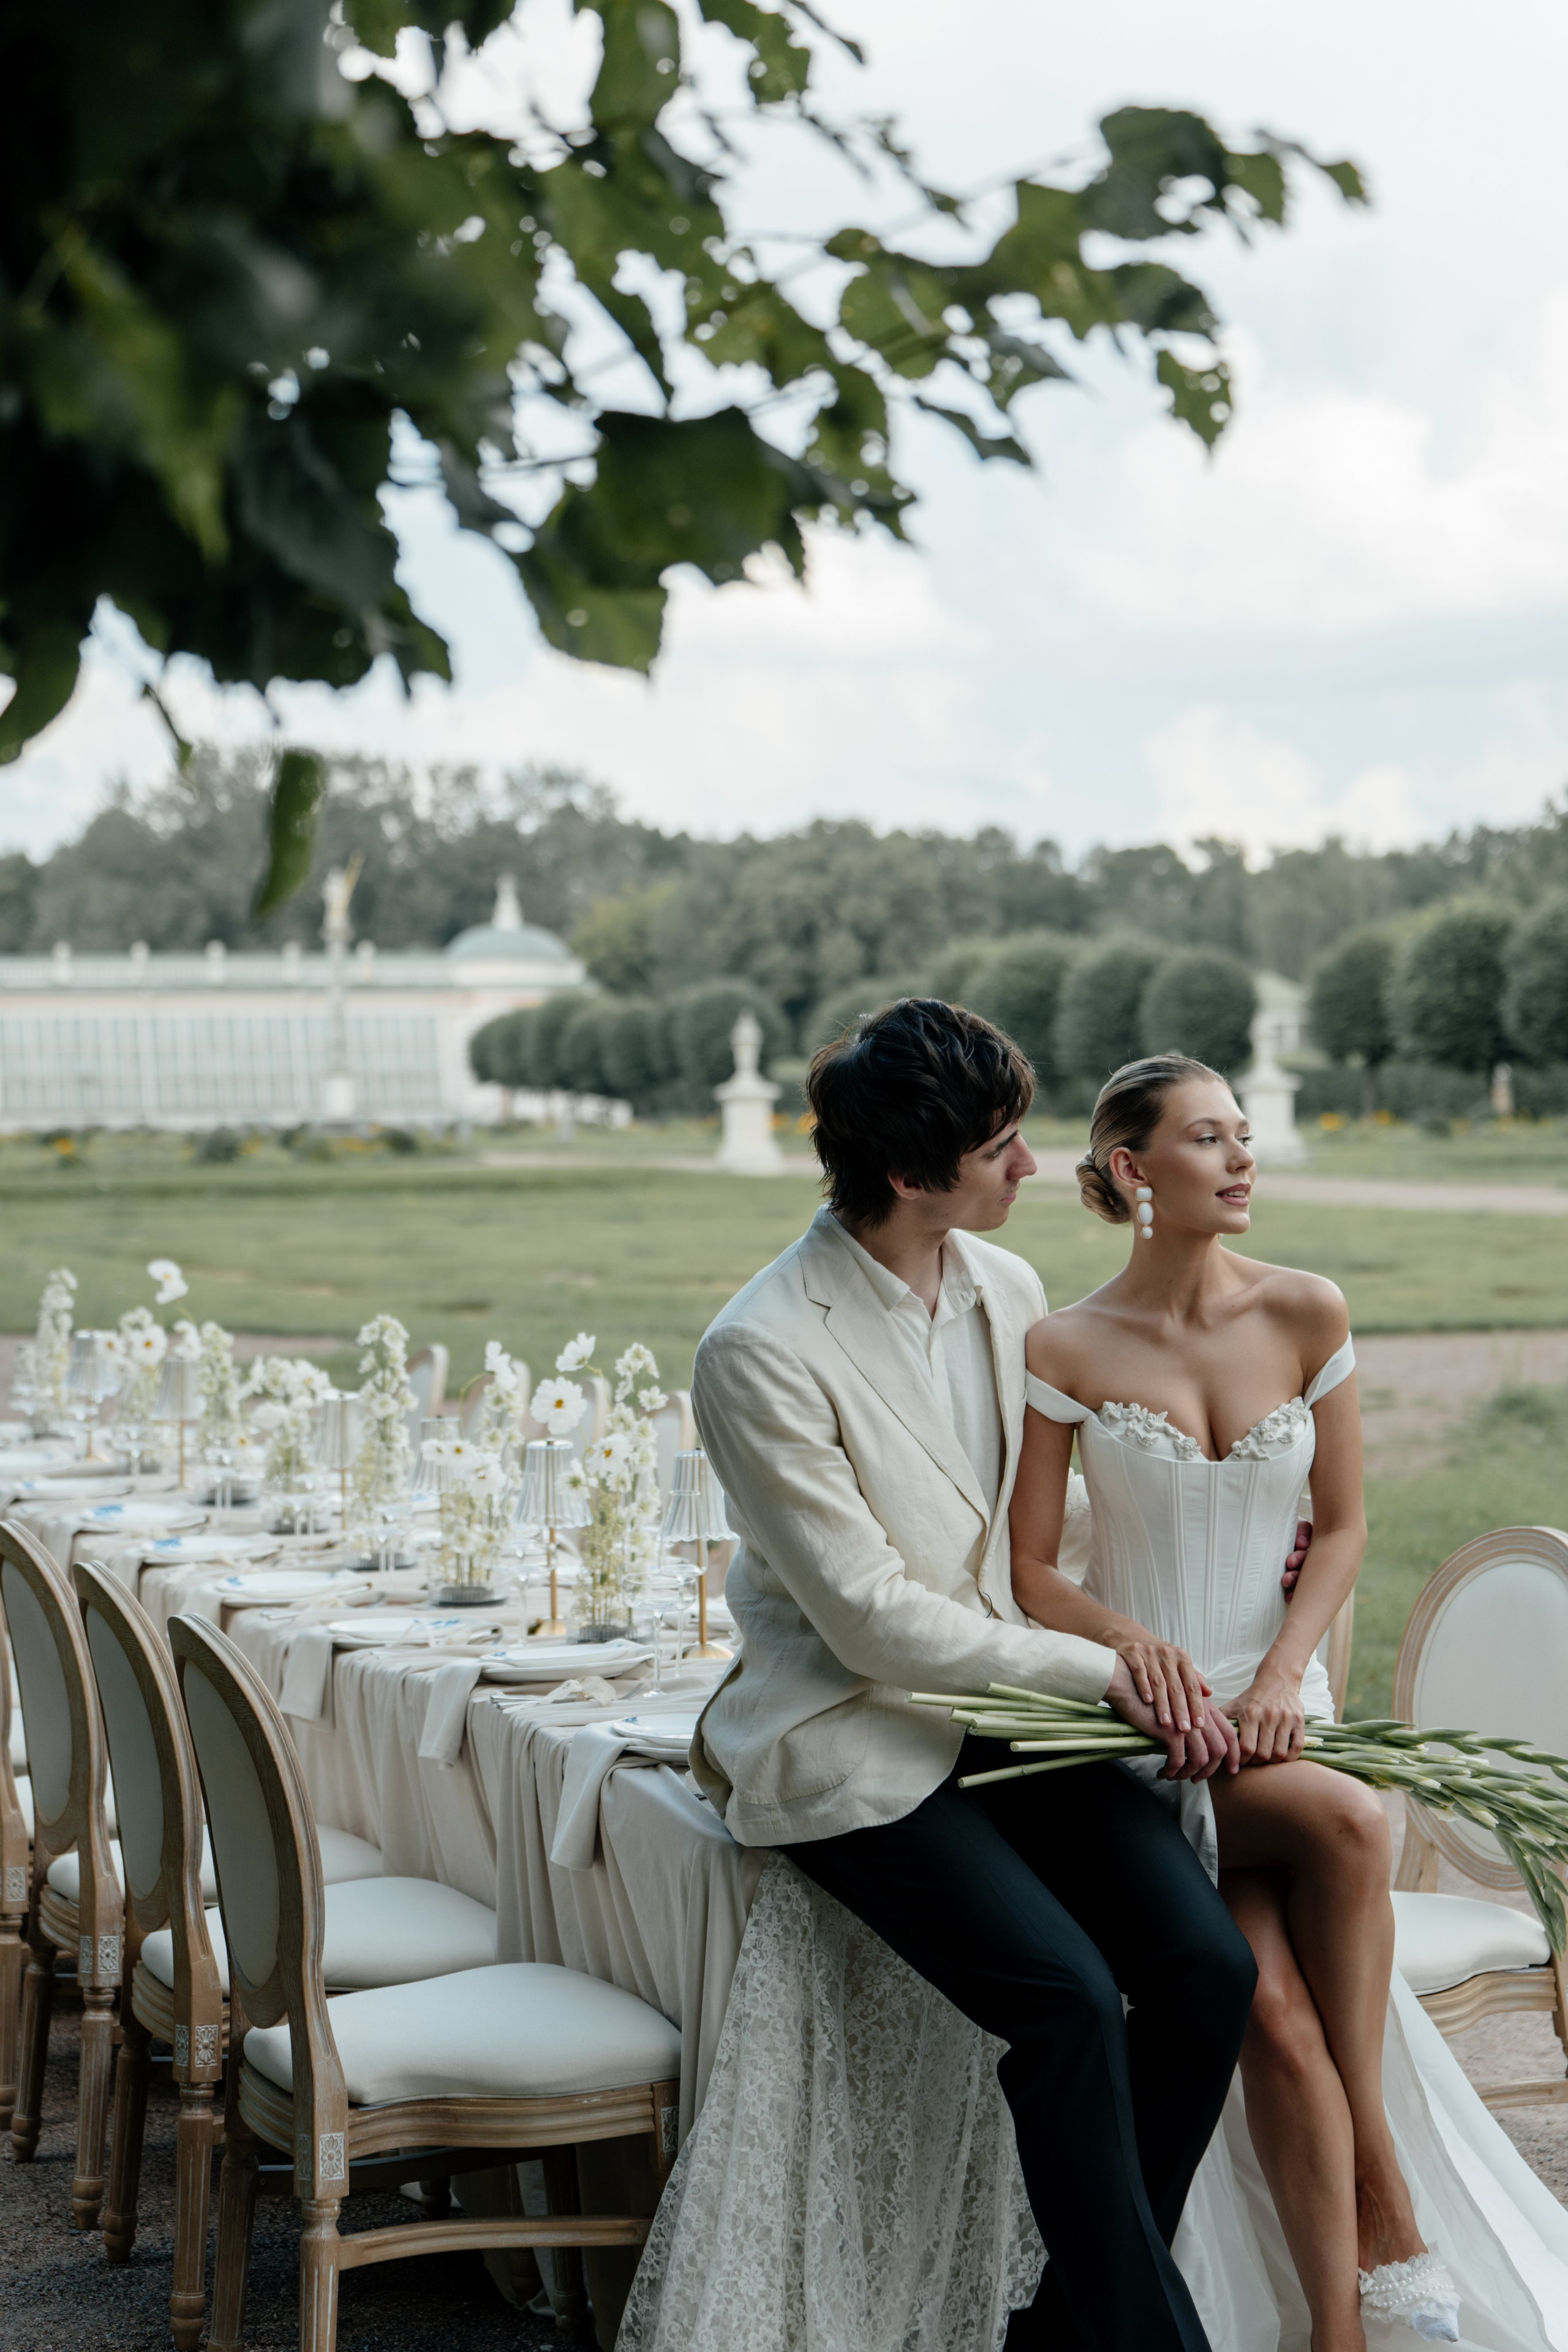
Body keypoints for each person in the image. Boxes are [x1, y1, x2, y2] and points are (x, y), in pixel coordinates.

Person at [688, 999, 1260, 2352]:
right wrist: (1101, 1674)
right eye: (1000, 1148)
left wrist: (1223, 1544)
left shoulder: (1006, 1287)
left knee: (1205, 1970)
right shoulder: (758, 1349)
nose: (1030, 1167)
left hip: (1009, 1718)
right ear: (905, 1172)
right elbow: (873, 1625)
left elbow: (1043, 1532)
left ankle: (1066, 2332)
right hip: (852, 1732)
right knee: (1066, 2000)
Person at [1010, 1050, 1566, 2350]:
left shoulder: (1307, 1310)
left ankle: (1336, 2329)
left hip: (1276, 1710)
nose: (1243, 1158)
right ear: (1134, 1170)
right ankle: (1385, 2194)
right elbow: (1032, 1570)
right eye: (1209, 1138)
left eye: (1243, 1134)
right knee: (1349, 1832)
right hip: (1147, 1724)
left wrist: (1276, 1679)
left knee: (1274, 2011)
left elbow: (1347, 1525)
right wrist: (1130, 1653)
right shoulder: (1064, 1344)